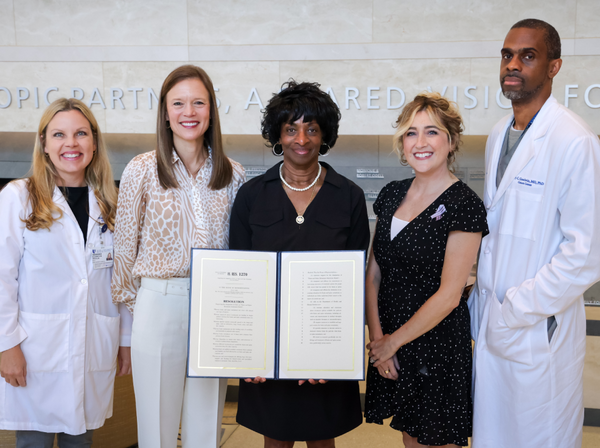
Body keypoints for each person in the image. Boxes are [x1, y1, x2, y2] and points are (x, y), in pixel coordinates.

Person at [468, 19, 600, 448]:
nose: (513, 64)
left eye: (528, 56)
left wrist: (519, 307)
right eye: (507, 54)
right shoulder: (497, 135)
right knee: (493, 434)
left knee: (538, 436)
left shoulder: (574, 141)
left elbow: (586, 254)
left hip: (536, 325)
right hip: (495, 319)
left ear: (554, 66)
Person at [111, 65, 245, 448]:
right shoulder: (142, 168)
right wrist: (143, 308)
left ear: (211, 111)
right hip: (158, 302)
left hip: (215, 305)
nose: (189, 111)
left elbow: (239, 252)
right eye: (179, 103)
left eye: (199, 102)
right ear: (166, 113)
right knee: (156, 426)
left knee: (206, 423)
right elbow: (124, 248)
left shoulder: (232, 173)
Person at [230, 80, 370, 448]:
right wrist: (252, 355)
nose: (302, 138)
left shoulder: (350, 197)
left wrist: (334, 354)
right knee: (275, 437)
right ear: (278, 134)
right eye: (291, 128)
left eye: (312, 128)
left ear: (325, 135)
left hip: (325, 345)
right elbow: (242, 282)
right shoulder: (251, 196)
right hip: (268, 348)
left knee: (322, 437)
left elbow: (353, 286)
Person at [0, 98, 132, 447]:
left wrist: (125, 341)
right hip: (34, 351)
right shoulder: (18, 197)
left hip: (93, 345)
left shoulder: (111, 202)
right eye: (59, 134)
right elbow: (1, 278)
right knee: (33, 442)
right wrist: (6, 346)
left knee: (81, 440)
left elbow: (121, 280)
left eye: (80, 134)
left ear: (94, 142)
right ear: (44, 143)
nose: (70, 144)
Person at [364, 92, 488, 448]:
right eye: (410, 133)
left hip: (436, 344)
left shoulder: (464, 204)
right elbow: (374, 273)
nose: (420, 143)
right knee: (410, 439)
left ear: (451, 141)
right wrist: (378, 342)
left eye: (432, 132)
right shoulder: (391, 194)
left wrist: (392, 343)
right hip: (390, 340)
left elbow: (450, 296)